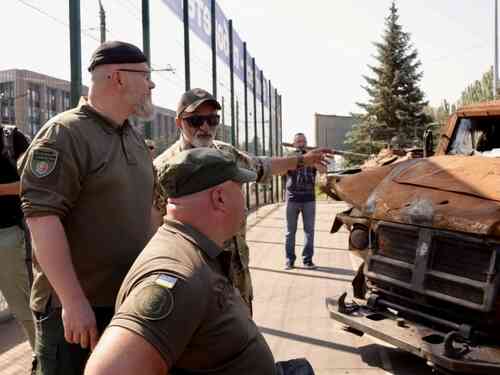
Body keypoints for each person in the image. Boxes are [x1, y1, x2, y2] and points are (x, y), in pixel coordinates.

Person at [85, 148, 314, 375]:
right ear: (220, 198)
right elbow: (107, 371)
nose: (244, 201)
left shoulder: (193, 249)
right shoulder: (178, 276)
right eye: (240, 188)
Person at [18, 40, 156, 375]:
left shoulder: (133, 138)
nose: (151, 84)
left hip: (125, 304)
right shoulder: (65, 134)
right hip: (81, 313)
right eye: (145, 75)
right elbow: (42, 219)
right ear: (117, 77)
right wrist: (73, 301)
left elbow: (147, 213)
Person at [153, 88, 331, 314]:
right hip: (198, 286)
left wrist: (303, 160)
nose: (205, 127)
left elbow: (261, 166)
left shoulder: (226, 154)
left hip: (238, 282)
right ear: (179, 122)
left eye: (212, 119)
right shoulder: (163, 169)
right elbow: (155, 231)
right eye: (196, 120)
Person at [0, 124, 36, 348]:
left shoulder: (13, 139)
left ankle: (42, 356)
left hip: (8, 235)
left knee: (20, 303)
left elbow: (34, 182)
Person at [284, 133, 326, 270]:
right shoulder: (289, 157)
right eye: (298, 141)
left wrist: (313, 160)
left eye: (303, 141)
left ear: (306, 143)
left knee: (309, 231)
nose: (301, 143)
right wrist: (297, 160)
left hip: (309, 199)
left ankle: (307, 260)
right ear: (294, 143)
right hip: (292, 199)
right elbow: (281, 171)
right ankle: (289, 260)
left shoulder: (312, 157)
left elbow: (324, 170)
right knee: (290, 232)